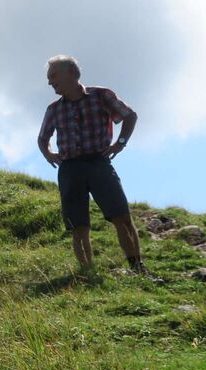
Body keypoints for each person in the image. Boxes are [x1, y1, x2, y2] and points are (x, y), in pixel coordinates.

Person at [37, 55, 148, 275]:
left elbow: (130, 115)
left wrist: (121, 143)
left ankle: (138, 268)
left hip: (99, 163)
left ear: (70, 72)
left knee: (121, 217)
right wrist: (48, 153)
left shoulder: (101, 95)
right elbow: (42, 138)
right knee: (78, 226)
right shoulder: (53, 109)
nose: (49, 82)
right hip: (69, 169)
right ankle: (88, 273)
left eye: (53, 76)